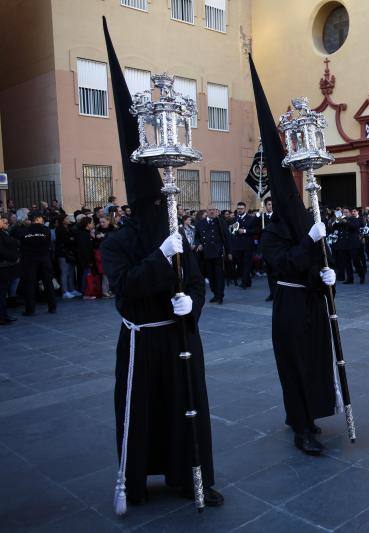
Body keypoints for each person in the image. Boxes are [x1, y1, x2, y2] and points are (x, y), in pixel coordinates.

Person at [101, 20, 222, 508]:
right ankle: (135, 481)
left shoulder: (177, 234)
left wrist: (189, 303)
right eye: (151, 205)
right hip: (141, 340)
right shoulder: (118, 242)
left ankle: (191, 475)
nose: (159, 210)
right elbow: (124, 286)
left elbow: (194, 280)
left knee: (188, 409)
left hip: (178, 333)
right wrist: (160, 259)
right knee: (142, 412)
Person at [251, 56, 338, 455]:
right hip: (288, 304)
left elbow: (317, 259)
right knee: (295, 365)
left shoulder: (307, 220)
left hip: (313, 302)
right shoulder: (272, 235)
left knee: (317, 361)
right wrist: (309, 246)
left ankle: (311, 416)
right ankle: (299, 425)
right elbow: (285, 263)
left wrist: (327, 271)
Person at [20, 213, 57, 316]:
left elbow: (22, 244)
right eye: (42, 218)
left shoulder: (24, 231)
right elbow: (49, 243)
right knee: (48, 283)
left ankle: (30, 309)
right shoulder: (45, 230)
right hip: (44, 258)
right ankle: (52, 307)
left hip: (29, 259)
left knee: (30, 284)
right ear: (38, 219)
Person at [195, 208, 229, 304]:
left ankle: (220, 295)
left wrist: (229, 252)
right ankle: (215, 293)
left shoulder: (220, 222)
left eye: (214, 210)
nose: (212, 212)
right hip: (206, 253)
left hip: (217, 252)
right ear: (207, 211)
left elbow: (226, 237)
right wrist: (199, 244)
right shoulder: (201, 223)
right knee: (211, 275)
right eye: (210, 210)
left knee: (219, 275)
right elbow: (197, 236)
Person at [229, 201, 258, 288]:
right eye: (238, 209)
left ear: (245, 209)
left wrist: (245, 231)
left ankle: (244, 283)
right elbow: (232, 232)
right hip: (237, 245)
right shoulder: (234, 219)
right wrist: (231, 229)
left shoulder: (251, 218)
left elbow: (255, 230)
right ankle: (247, 281)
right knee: (240, 264)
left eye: (241, 209)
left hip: (247, 245)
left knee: (247, 264)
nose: (239, 210)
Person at [0, 214, 19, 325]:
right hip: (2, 267)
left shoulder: (3, 233)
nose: (3, 223)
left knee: (3, 292)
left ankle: (4, 314)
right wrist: (14, 257)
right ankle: (2, 316)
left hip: (5, 267)